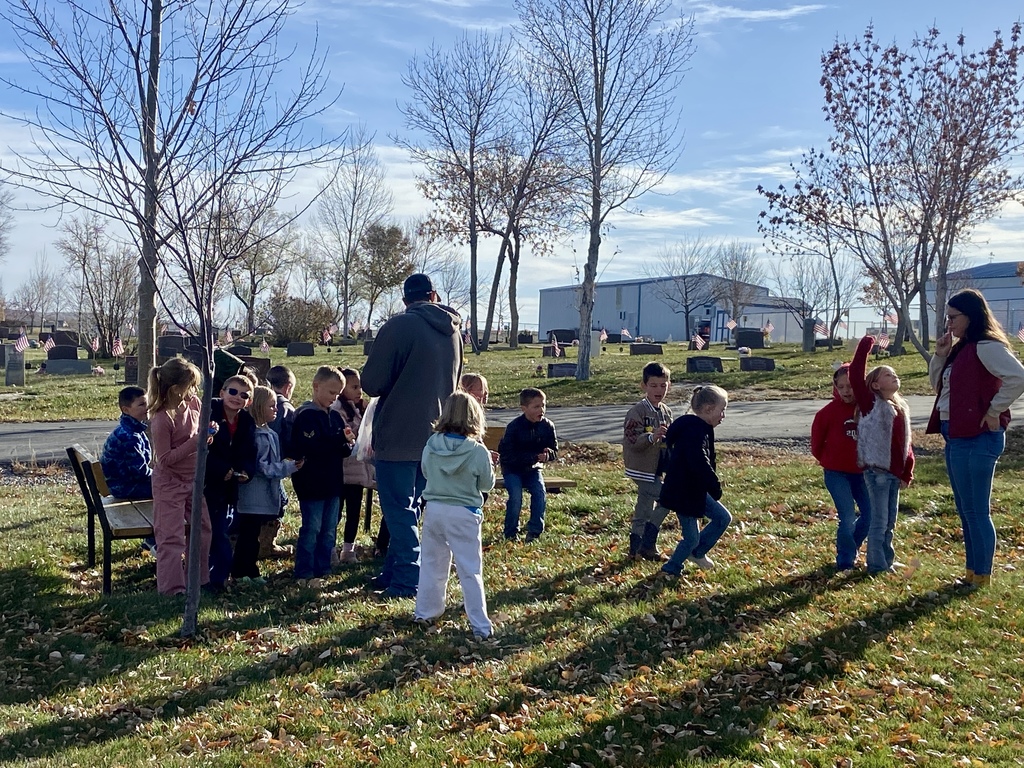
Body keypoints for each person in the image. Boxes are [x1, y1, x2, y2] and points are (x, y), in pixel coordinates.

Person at [362, 273, 463, 599]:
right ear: (434, 295)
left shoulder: (398, 327)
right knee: (413, 508)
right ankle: (393, 570)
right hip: (436, 434)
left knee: (398, 511)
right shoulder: (453, 331)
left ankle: (407, 579)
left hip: (399, 432)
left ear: (405, 300)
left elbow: (372, 383)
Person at [927, 289, 1024, 587]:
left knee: (976, 510)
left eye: (953, 318)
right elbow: (938, 388)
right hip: (955, 433)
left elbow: (1019, 377)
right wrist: (940, 356)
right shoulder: (961, 349)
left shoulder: (987, 346)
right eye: (947, 318)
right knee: (965, 509)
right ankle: (972, 574)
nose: (949, 324)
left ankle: (982, 576)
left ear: (971, 316)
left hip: (978, 437)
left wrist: (994, 410)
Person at [414, 391, 496, 640]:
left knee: (432, 563)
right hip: (464, 512)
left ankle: (425, 611)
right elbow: (487, 485)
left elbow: (426, 471)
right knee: (469, 569)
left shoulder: (432, 444)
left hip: (435, 508)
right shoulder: (477, 451)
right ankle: (480, 625)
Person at [147, 358, 213, 596]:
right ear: (176, 389)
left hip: (192, 480)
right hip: (169, 484)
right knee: (171, 537)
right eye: (190, 386)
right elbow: (164, 459)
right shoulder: (162, 418)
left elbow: (198, 434)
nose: (194, 390)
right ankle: (172, 589)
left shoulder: (194, 403)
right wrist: (195, 442)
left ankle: (197, 580)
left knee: (203, 531)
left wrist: (207, 434)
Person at [850, 335, 915, 575]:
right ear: (876, 385)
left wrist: (907, 472)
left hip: (894, 473)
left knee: (890, 521)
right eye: (887, 374)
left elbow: (905, 444)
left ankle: (887, 560)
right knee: (879, 520)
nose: (894, 376)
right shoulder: (871, 403)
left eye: (894, 373)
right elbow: (856, 374)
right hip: (877, 472)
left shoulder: (900, 407)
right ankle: (876, 565)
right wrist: (866, 345)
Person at [288, 365, 354, 585]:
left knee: (329, 529)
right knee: (312, 528)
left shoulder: (335, 417)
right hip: (311, 482)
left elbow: (340, 449)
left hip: (333, 481)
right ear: (316, 386)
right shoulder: (306, 416)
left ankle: (323, 568)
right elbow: (312, 447)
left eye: (338, 394)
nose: (334, 398)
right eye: (331, 392)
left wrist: (347, 444)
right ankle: (304, 571)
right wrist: (339, 440)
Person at [659, 385, 732, 576]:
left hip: (696, 490)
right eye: (722, 410)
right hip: (683, 492)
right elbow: (699, 461)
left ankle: (697, 553)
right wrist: (713, 484)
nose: (723, 416)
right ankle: (671, 568)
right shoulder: (694, 432)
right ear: (708, 409)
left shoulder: (700, 428)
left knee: (723, 518)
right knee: (691, 538)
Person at [234, 386, 303, 584]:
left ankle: (250, 569)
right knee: (248, 535)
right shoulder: (256, 436)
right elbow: (262, 467)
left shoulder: (269, 433)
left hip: (264, 495)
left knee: (254, 533)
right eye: (271, 406)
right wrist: (288, 467)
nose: (276, 409)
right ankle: (242, 571)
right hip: (253, 495)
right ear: (258, 407)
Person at [811, 364, 872, 570]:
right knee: (847, 517)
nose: (846, 391)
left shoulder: (868, 410)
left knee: (870, 515)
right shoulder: (827, 413)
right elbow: (816, 445)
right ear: (835, 387)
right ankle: (845, 560)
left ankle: (851, 546)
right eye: (841, 387)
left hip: (862, 473)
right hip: (836, 473)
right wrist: (829, 460)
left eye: (851, 386)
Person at [204, 375, 257, 592]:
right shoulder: (208, 412)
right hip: (206, 484)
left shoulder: (246, 421)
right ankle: (213, 579)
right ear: (222, 392)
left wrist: (246, 471)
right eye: (233, 392)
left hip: (230, 487)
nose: (237, 397)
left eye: (244, 395)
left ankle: (217, 578)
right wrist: (219, 469)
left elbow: (249, 452)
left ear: (249, 401)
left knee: (222, 529)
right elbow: (201, 449)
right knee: (215, 533)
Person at [622, 362, 673, 560]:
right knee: (668, 498)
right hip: (640, 468)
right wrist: (651, 437)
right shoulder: (637, 411)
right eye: (653, 385)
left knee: (644, 507)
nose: (659, 390)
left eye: (663, 385)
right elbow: (632, 440)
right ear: (644, 386)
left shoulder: (666, 412)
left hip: (656, 469)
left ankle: (635, 547)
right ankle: (648, 544)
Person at [498, 387, 558, 542]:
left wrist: (548, 454)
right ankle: (510, 532)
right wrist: (532, 457)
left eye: (543, 405)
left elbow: (554, 450)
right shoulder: (514, 427)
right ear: (524, 409)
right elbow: (507, 455)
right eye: (536, 407)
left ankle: (535, 530)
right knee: (516, 496)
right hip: (512, 469)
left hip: (533, 469)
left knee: (539, 493)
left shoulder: (547, 426)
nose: (541, 410)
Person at [330, 367, 376, 564]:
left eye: (360, 387)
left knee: (354, 511)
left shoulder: (359, 409)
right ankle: (330, 548)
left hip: (357, 470)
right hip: (343, 470)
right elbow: (349, 435)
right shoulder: (338, 410)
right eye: (354, 387)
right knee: (336, 513)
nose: (359, 391)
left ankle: (348, 549)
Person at [101, 386, 153, 500]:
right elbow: (140, 473)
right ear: (126, 410)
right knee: (174, 488)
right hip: (124, 488)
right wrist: (165, 476)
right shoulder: (129, 437)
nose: (147, 407)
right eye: (142, 404)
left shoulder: (132, 429)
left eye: (147, 403)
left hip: (125, 484)